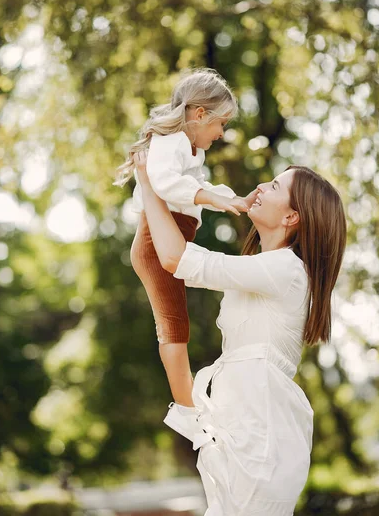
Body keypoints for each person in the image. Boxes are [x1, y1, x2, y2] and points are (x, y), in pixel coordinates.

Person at [133, 150, 347, 516]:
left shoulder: (287, 271)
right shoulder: (262, 270)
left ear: (292, 216)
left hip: (259, 432)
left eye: (275, 185)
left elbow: (176, 259)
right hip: (238, 426)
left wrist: (150, 182)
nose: (262, 186)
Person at [113, 68, 258, 407]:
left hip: (172, 237)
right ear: (199, 114)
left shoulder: (192, 149)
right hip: (155, 243)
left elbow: (194, 188)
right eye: (220, 123)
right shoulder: (172, 141)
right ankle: (187, 408)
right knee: (175, 325)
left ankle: (190, 402)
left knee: (178, 322)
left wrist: (231, 199)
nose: (221, 133)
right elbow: (163, 183)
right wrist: (212, 198)